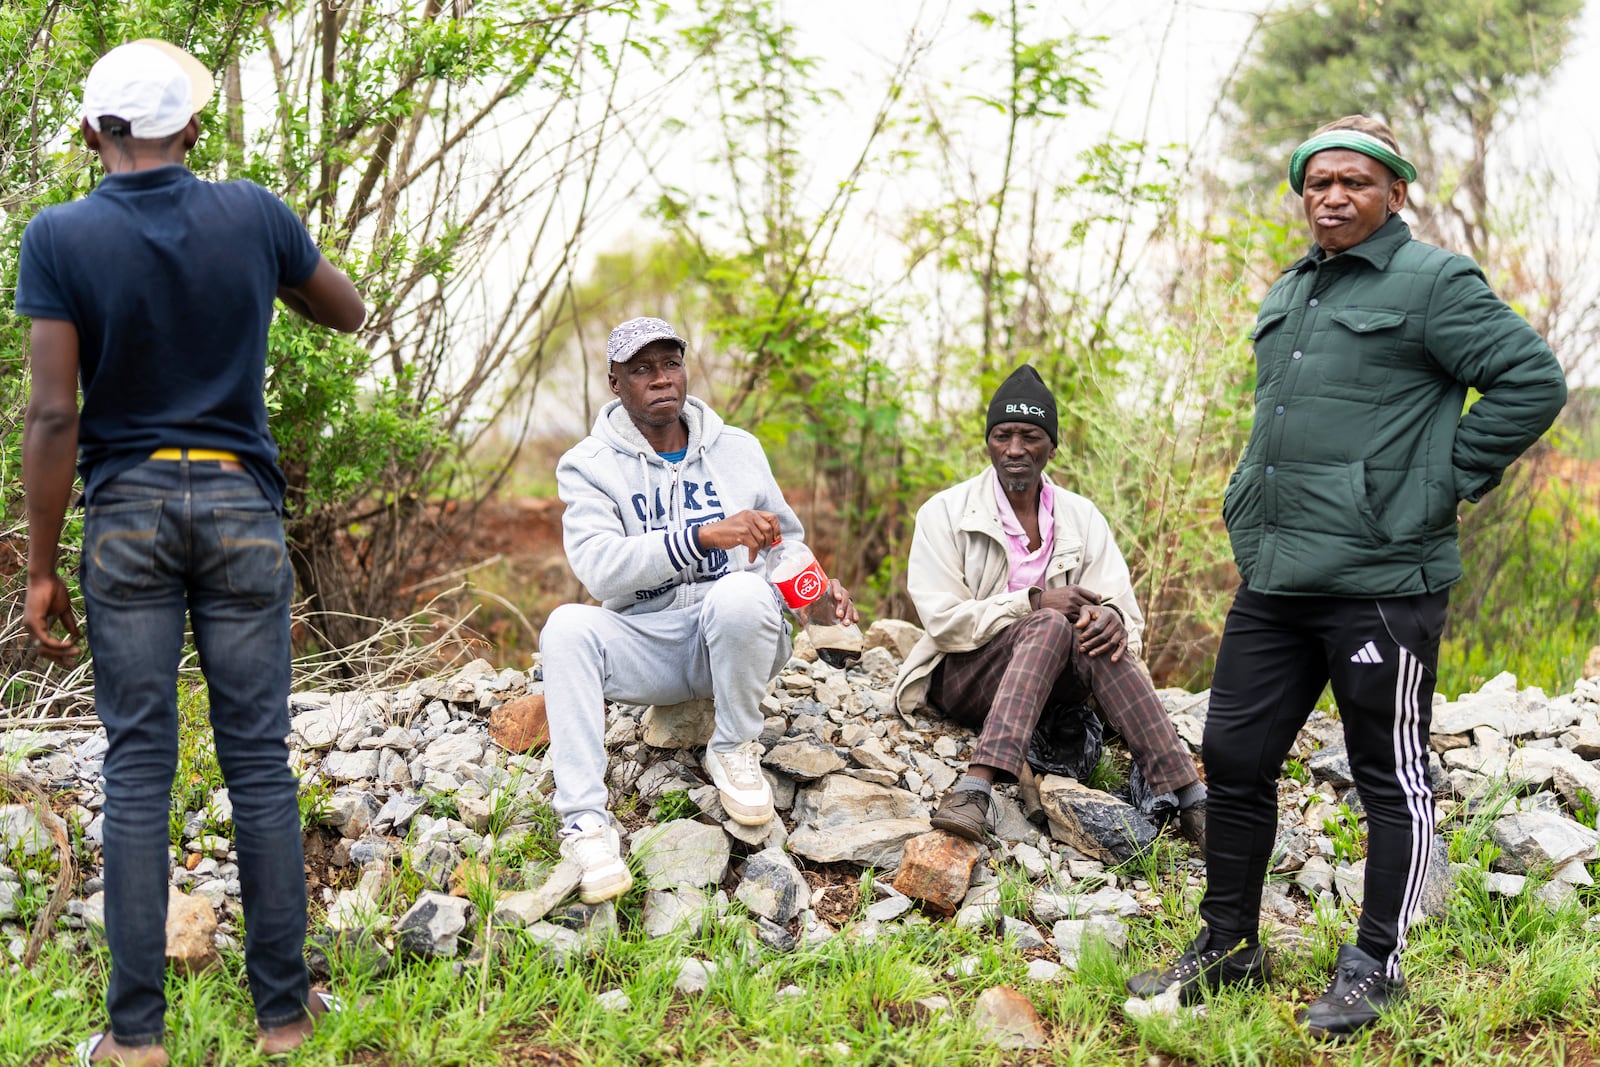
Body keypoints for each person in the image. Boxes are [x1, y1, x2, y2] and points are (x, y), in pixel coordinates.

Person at [1126, 116, 1567, 1036]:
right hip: (1277, 577)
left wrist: (1437, 483)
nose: (1331, 196)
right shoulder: (1292, 290)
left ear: (1395, 193)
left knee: (1387, 775)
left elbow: (1531, 379)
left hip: (1381, 579)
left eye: (1354, 182)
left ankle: (1375, 965)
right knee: (1235, 758)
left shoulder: (1433, 282)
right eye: (1317, 182)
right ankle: (1230, 944)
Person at [19, 40, 365, 1066]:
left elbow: (50, 413)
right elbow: (346, 310)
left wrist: (42, 565)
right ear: (195, 132)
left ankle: (135, 1040)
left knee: (137, 769)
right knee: (257, 759)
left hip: (125, 508)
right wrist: (274, 271)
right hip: (237, 505)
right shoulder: (253, 214)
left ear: (93, 134)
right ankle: (286, 1019)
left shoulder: (59, 236)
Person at [542, 316, 857, 903]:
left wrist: (814, 586)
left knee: (739, 593)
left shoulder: (736, 449)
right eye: (642, 369)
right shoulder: (588, 464)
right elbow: (600, 567)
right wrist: (702, 536)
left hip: (733, 639)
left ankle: (733, 746)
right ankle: (586, 824)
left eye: (671, 364)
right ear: (615, 383)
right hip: (649, 644)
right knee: (565, 626)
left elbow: (781, 542)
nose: (661, 379)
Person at [894, 364, 1207, 846]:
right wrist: (1034, 601)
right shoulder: (945, 513)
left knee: (1089, 630)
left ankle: (1192, 799)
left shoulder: (1082, 516)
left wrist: (1113, 620)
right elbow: (942, 623)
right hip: (966, 677)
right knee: (1050, 623)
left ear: (1051, 447)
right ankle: (977, 785)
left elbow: (1125, 610)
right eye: (1003, 435)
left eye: (1030, 436)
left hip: (1053, 687)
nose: (1015, 449)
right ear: (988, 442)